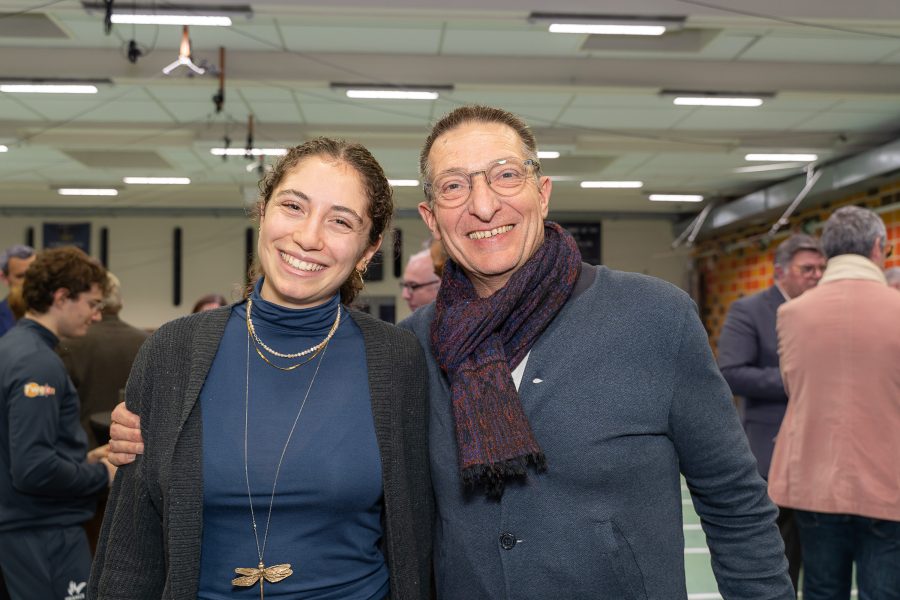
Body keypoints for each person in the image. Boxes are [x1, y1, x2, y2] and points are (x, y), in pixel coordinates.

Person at [109, 107, 793, 598]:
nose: (484, 206)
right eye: (455, 186)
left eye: (505, 176)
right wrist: (143, 443)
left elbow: (734, 501)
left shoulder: (652, 317)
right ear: (432, 218)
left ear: (542, 192)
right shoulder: (413, 350)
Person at [91, 138, 432, 599]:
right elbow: (131, 545)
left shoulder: (397, 359)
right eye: (293, 206)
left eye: (340, 221)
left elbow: (418, 532)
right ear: (263, 211)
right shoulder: (174, 351)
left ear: (368, 251)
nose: (308, 237)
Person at [770, 205, 900, 600]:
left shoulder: (791, 313)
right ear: (877, 247)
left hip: (815, 477)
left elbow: (794, 387)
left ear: (828, 252)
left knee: (822, 588)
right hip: (889, 479)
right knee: (884, 591)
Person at [0, 246, 116, 600]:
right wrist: (102, 474)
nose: (96, 315)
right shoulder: (37, 363)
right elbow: (33, 468)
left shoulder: (12, 347)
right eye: (92, 304)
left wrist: (82, 460)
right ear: (62, 297)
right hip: (42, 534)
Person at [716, 233, 825, 592]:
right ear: (780, 271)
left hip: (822, 452)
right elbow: (732, 372)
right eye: (807, 269)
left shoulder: (825, 312)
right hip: (772, 450)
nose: (816, 275)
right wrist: (799, 380)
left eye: (821, 268)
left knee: (822, 561)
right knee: (781, 556)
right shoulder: (749, 311)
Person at [59, 272, 150, 449]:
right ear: (121, 303)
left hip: (84, 450)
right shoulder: (148, 342)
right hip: (133, 448)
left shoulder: (69, 345)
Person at [0, 244, 35, 337]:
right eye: (21, 276)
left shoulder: (54, 312)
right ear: (4, 278)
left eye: (33, 274)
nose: (29, 281)